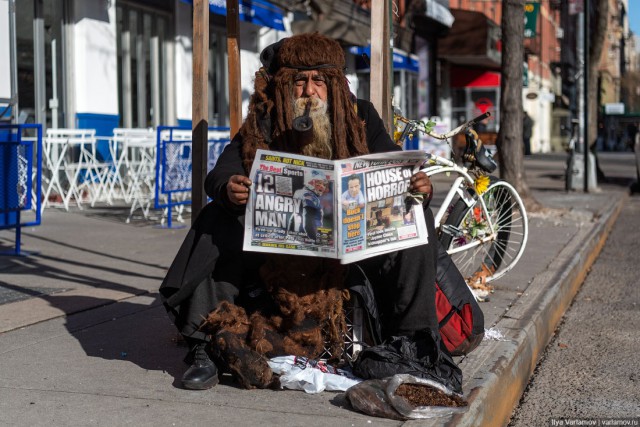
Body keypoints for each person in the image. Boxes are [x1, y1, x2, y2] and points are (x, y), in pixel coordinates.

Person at [159, 33, 445, 390]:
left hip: (350, 253)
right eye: (300, 80)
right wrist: (229, 187)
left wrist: (418, 189)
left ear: (337, 85)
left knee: (415, 215)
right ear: (285, 85)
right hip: (279, 251)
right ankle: (207, 341)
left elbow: (394, 173)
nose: (309, 91)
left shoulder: (362, 117)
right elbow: (220, 172)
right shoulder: (266, 119)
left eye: (319, 81)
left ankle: (412, 342)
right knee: (217, 218)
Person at [287, 169, 327, 240]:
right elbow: (308, 222)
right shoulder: (310, 196)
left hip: (298, 236)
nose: (322, 186)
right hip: (307, 237)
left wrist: (290, 234)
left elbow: (293, 217)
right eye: (318, 183)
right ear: (310, 182)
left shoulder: (299, 192)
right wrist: (315, 239)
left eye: (323, 184)